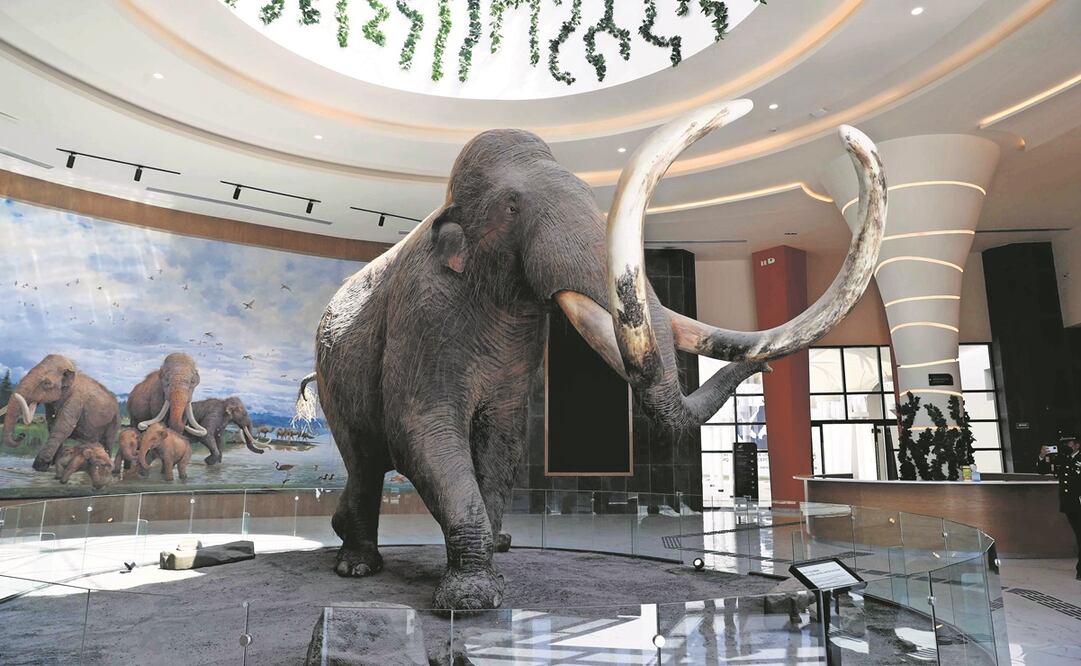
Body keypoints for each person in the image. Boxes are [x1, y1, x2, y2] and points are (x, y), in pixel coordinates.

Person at [1037, 434, 1081, 580]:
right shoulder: (1062, 458)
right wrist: (1043, 456)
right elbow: (1043, 470)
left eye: (1068, 443)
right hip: (1070, 503)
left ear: (1076, 445)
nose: (1064, 447)